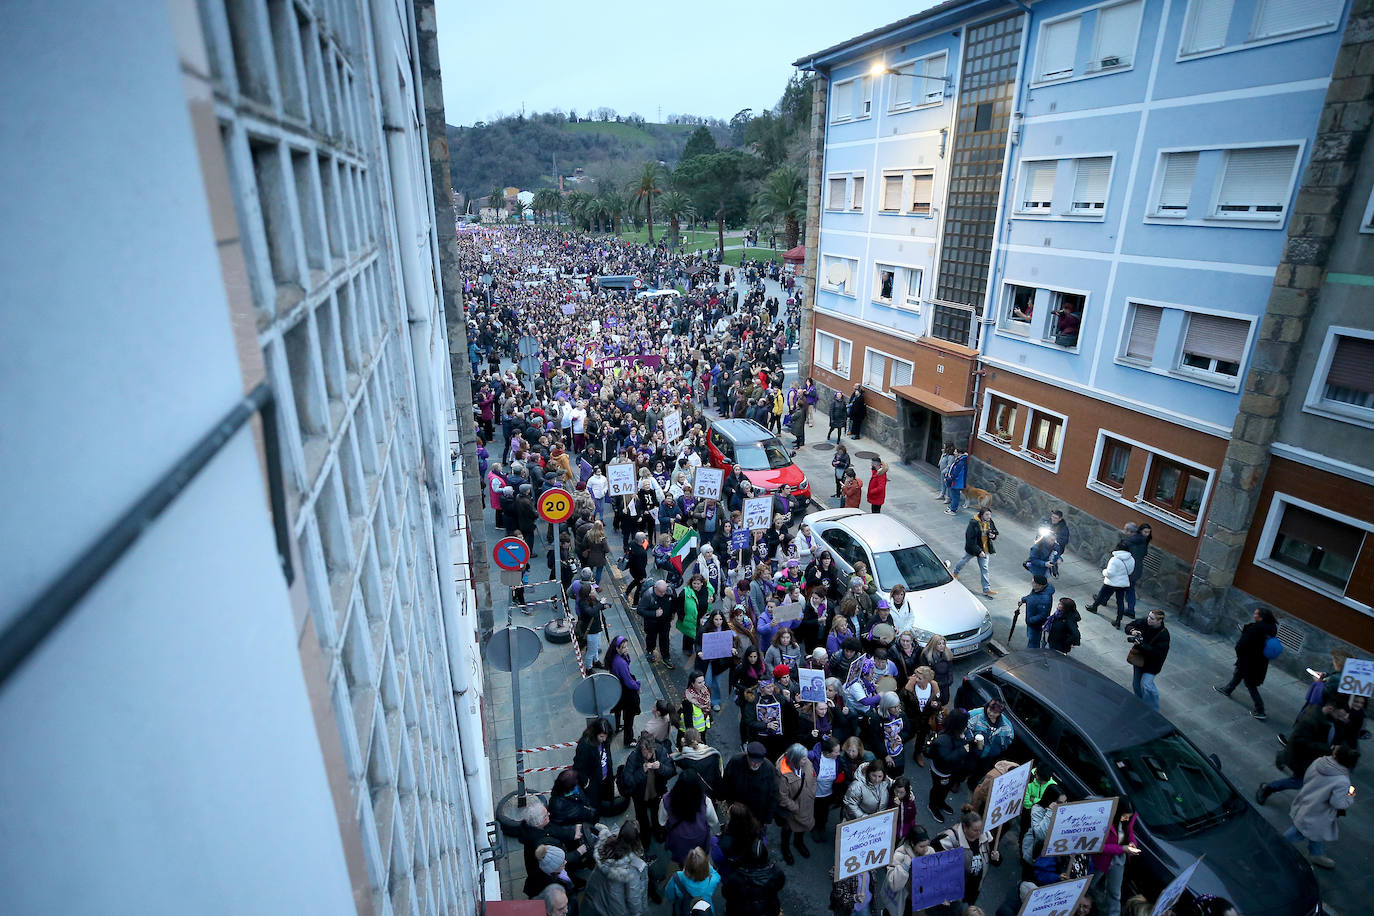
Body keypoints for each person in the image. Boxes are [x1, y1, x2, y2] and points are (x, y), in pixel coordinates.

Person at [1259, 702, 1355, 804]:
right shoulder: (1311, 721)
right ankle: (1267, 788)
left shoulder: (1333, 719)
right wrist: (1328, 748)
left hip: (1313, 757)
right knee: (1298, 782)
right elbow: (1301, 741)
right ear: (1331, 709)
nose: (1341, 718)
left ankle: (1282, 757)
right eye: (1339, 715)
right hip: (1303, 757)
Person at [1284, 745, 1358, 869]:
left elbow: (1307, 777)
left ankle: (1316, 854)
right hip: (1318, 813)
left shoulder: (1320, 762)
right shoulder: (1342, 781)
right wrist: (1350, 794)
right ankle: (1275, 844)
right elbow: (1338, 803)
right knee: (1300, 831)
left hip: (1306, 801)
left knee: (1315, 832)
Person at [1213, 607, 1279, 720]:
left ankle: (1260, 710)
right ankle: (1228, 689)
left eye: (1256, 614)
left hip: (1249, 660)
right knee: (1238, 674)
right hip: (1260, 661)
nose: (1254, 615)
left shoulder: (1256, 628)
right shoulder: (1272, 628)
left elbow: (1244, 644)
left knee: (1250, 684)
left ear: (1261, 617)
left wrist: (1240, 646)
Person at [581, 821, 650, 916]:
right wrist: (637, 913)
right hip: (615, 905)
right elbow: (633, 897)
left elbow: (601, 828)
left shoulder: (604, 845)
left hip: (596, 892)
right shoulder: (632, 868)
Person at [621, 731, 677, 843]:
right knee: (642, 818)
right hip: (640, 796)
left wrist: (661, 767)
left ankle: (658, 832)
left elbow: (671, 771)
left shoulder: (661, 751)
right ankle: (644, 838)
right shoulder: (633, 758)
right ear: (640, 749)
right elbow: (628, 781)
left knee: (657, 815)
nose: (648, 756)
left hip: (656, 793)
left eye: (650, 752)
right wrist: (642, 771)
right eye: (645, 753)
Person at [934, 806, 996, 909]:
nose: (979, 833)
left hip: (973, 886)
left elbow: (992, 856)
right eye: (975, 830)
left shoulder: (984, 834)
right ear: (964, 827)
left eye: (980, 829)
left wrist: (996, 858)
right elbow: (934, 866)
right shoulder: (949, 839)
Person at [661, 773, 720, 868]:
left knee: (683, 862)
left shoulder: (667, 799)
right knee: (699, 861)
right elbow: (713, 822)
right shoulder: (705, 801)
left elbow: (662, 821)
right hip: (699, 840)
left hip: (678, 840)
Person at [575, 718, 629, 815]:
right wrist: (586, 782)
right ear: (595, 733)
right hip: (593, 781)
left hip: (605, 776)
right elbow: (579, 766)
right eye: (601, 736)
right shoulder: (585, 745)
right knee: (594, 802)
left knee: (607, 794)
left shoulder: (604, 740)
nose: (604, 739)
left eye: (606, 736)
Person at [721, 836, 786, 916]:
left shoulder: (735, 878)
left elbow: (726, 893)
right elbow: (779, 886)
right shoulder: (775, 872)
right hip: (768, 909)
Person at [721, 742, 780, 828]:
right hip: (738, 811)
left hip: (758, 814)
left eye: (758, 762)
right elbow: (726, 782)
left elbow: (774, 795)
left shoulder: (769, 769)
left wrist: (767, 819)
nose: (755, 764)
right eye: (752, 761)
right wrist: (726, 802)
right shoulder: (736, 762)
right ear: (747, 756)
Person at [928, 708, 971, 824]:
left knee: (946, 788)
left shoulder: (958, 734)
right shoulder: (943, 739)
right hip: (941, 771)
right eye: (965, 723)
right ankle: (933, 806)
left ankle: (941, 802)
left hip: (952, 770)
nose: (967, 725)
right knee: (938, 789)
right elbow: (947, 758)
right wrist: (963, 750)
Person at [776, 743, 818, 864]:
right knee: (788, 828)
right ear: (795, 759)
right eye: (803, 759)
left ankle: (798, 842)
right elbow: (782, 796)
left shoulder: (806, 763)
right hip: (792, 809)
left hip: (806, 804)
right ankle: (785, 848)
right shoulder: (783, 775)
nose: (806, 760)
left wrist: (812, 791)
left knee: (802, 825)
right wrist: (794, 807)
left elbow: (813, 777)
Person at [1124, 610, 1169, 711]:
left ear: (1159, 621)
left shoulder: (1164, 635)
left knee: (1146, 685)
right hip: (1139, 660)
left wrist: (1141, 645)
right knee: (1136, 685)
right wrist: (1132, 630)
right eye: (1149, 616)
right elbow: (1128, 626)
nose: (1148, 619)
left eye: (1152, 618)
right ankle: (1140, 704)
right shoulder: (1145, 622)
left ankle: (1153, 710)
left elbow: (1156, 653)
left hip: (1152, 665)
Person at [964, 700, 1015, 787]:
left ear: (1000, 713)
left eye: (995, 713)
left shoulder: (1006, 725)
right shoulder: (976, 714)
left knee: (982, 770)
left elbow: (1009, 738)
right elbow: (965, 725)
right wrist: (971, 739)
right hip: (974, 750)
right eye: (990, 710)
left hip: (989, 754)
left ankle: (972, 783)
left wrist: (999, 748)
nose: (991, 714)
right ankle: (958, 780)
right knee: (968, 766)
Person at [951, 508, 999, 598]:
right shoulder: (974, 523)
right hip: (973, 548)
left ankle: (986, 589)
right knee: (964, 560)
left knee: (984, 568)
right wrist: (978, 551)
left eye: (990, 515)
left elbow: (994, 531)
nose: (989, 517)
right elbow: (970, 539)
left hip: (985, 549)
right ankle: (955, 572)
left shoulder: (989, 521)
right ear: (982, 515)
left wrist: (993, 535)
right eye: (987, 515)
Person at [1085, 542, 1134, 626]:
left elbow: (1109, 573)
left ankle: (1094, 607)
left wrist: (1104, 571)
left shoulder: (1114, 559)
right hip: (1122, 584)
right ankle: (1118, 620)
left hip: (1111, 582)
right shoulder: (1131, 559)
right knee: (1120, 602)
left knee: (1101, 594)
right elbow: (1130, 572)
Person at [664, 846, 722, 914]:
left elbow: (669, 895)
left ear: (687, 864)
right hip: (704, 910)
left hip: (684, 909)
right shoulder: (712, 881)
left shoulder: (677, 877)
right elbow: (717, 875)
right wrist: (704, 864)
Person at [638, 579, 675, 668]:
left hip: (665, 622)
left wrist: (672, 614)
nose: (663, 594)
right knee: (651, 637)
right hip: (652, 623)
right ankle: (650, 651)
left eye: (664, 591)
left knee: (665, 639)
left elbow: (673, 603)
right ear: (655, 588)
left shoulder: (669, 591)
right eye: (660, 592)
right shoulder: (648, 595)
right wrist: (654, 613)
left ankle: (666, 657)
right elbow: (640, 610)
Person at [1019, 576, 1055, 649]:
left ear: (1040, 585)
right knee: (1031, 638)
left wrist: (1031, 620)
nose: (1032, 583)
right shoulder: (1037, 590)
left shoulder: (1045, 599)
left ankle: (1031, 655)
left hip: (1035, 625)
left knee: (1033, 642)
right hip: (1031, 622)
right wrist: (1023, 600)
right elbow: (1031, 596)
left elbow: (1043, 615)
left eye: (1034, 583)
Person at [944, 446, 968, 514]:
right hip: (956, 481)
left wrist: (948, 479)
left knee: (955, 496)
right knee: (954, 495)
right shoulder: (960, 460)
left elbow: (955, 473)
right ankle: (953, 506)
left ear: (959, 453)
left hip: (957, 482)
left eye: (955, 452)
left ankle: (953, 510)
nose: (954, 453)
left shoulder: (961, 462)